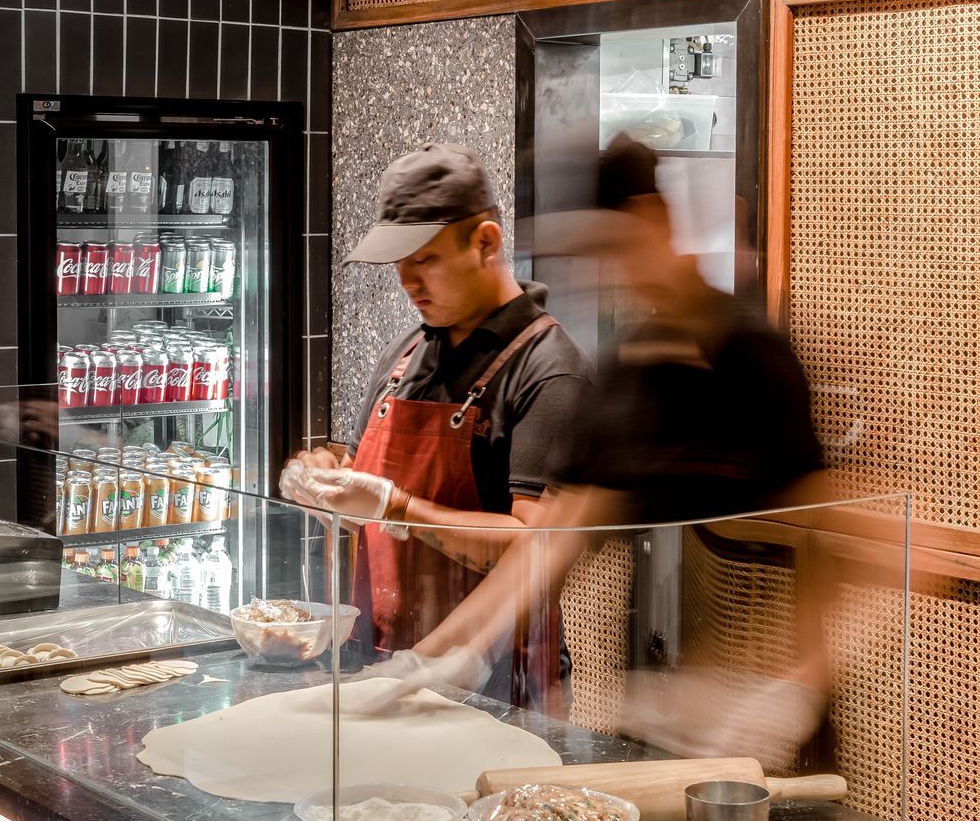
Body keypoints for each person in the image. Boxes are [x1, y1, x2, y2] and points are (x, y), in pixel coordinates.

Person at [369, 136, 836, 765]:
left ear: (658, 221)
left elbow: (832, 536)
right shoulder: (632, 370)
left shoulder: (752, 357)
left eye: (615, 247)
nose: (610, 270)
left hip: (767, 726)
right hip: (664, 717)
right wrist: (444, 655)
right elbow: (555, 539)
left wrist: (797, 686)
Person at [280, 142, 591, 711]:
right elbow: (361, 482)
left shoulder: (549, 368)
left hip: (498, 686)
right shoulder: (404, 354)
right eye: (398, 263)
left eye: (424, 258)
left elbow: (538, 549)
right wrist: (322, 480)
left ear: (486, 243)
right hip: (380, 661)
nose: (407, 280)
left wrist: (397, 508)